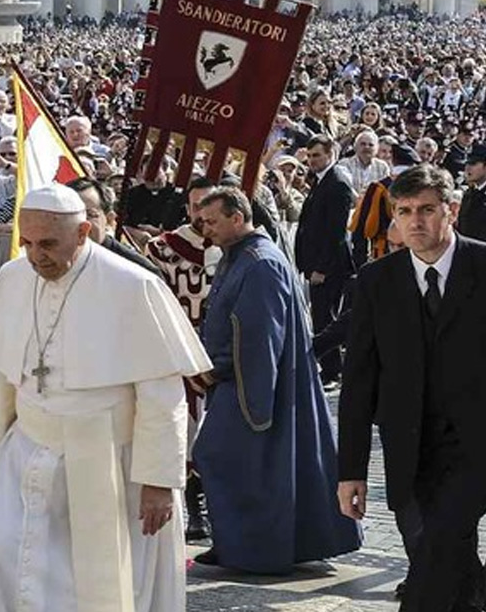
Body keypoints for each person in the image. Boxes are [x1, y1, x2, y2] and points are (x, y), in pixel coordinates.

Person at [0, 184, 211, 611]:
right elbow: (1, 373)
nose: (37, 256)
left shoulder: (133, 285)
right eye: (28, 243)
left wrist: (158, 481)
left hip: (110, 462)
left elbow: (160, 393)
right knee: (12, 559)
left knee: (95, 584)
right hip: (28, 453)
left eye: (48, 244)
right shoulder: (13, 278)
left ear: (82, 232)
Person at [339, 165, 486, 611]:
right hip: (408, 450)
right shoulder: (375, 281)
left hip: (477, 447)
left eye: (426, 209)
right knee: (437, 553)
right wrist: (351, 470)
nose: (415, 221)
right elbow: (359, 381)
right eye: (404, 211)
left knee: (437, 546)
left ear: (452, 211)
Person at [192, 186, 361, 573]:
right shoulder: (238, 256)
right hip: (234, 381)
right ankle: (235, 542)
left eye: (213, 222)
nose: (207, 230)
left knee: (222, 456)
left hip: (254, 387)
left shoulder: (261, 263)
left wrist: (223, 375)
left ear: (238, 218)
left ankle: (252, 547)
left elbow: (259, 336)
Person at [144, 175, 221, 541]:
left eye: (209, 204)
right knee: (186, 435)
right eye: (195, 206)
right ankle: (194, 511)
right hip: (180, 358)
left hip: (224, 358)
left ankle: (221, 508)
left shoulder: (238, 246)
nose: (202, 214)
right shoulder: (164, 249)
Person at [295, 134, 356, 387]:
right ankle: (331, 368)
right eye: (309, 156)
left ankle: (333, 371)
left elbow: (335, 233)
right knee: (321, 315)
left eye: (317, 155)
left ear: (331, 153)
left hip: (329, 267)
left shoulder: (337, 182)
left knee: (325, 317)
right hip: (316, 264)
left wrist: (321, 268)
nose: (311, 160)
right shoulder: (322, 181)